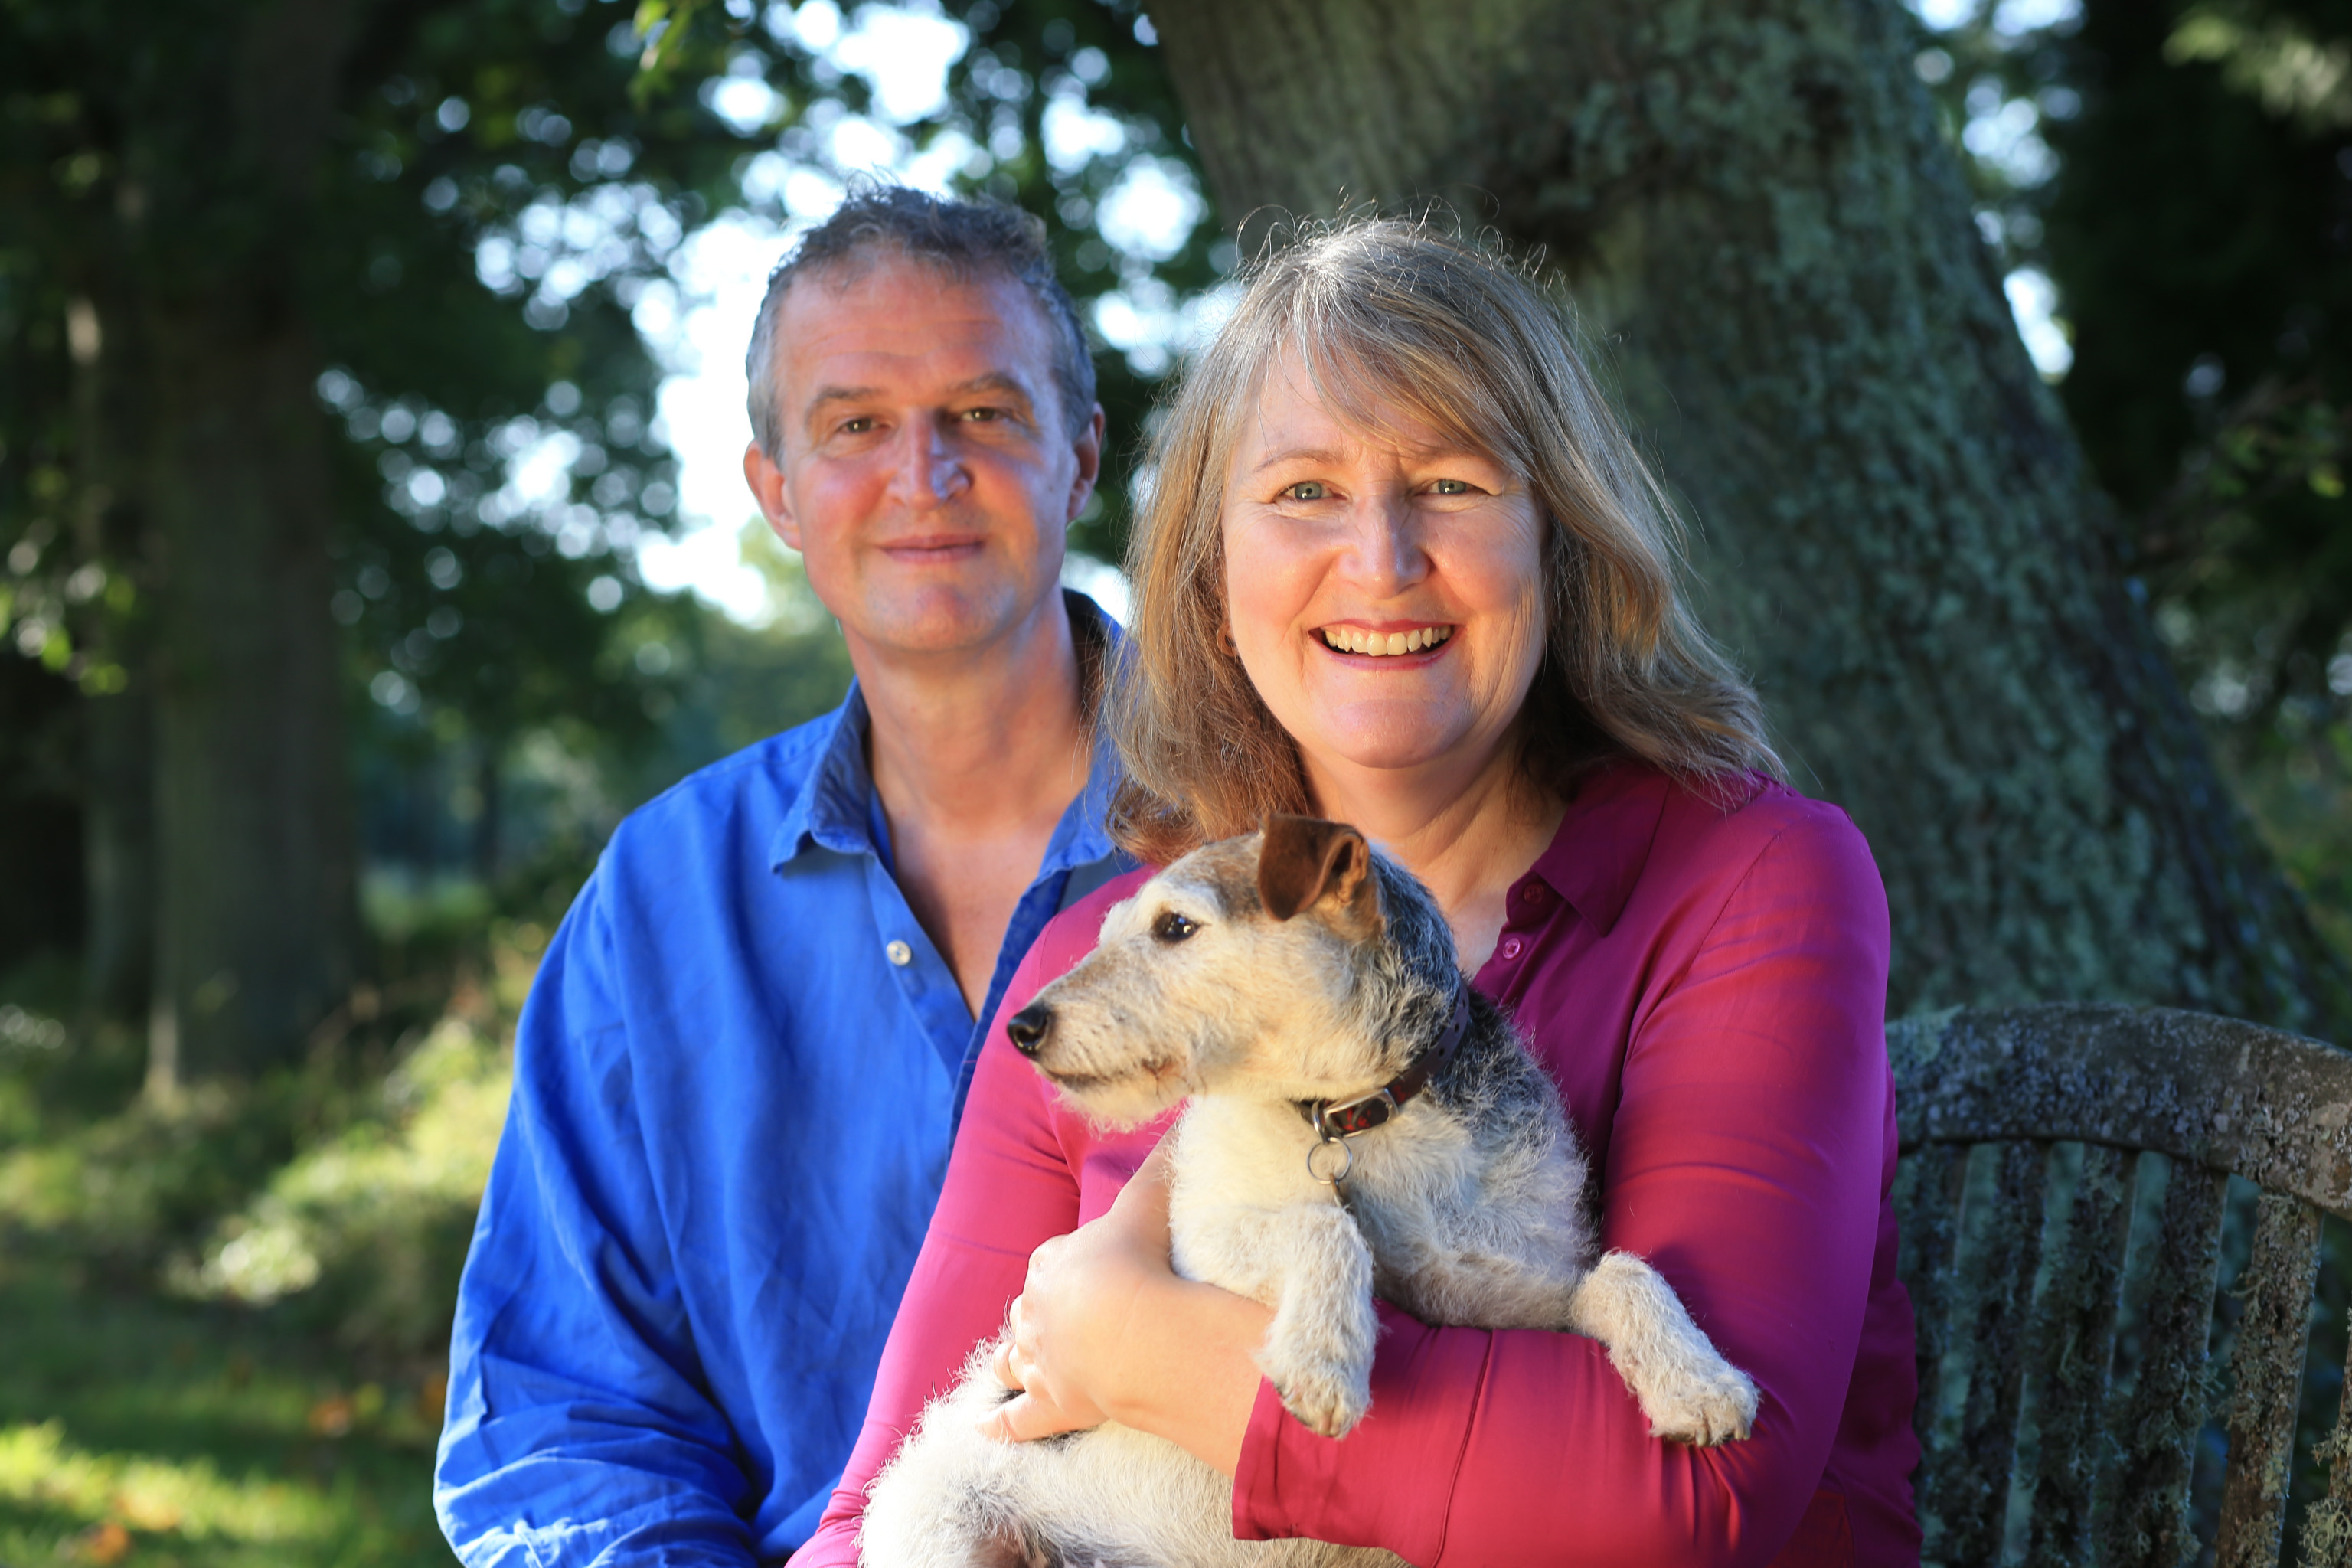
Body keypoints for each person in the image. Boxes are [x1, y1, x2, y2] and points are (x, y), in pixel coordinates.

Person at [799, 219, 1920, 1567]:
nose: (1382, 560)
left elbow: (1690, 1496)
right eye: (1305, 494)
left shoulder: (1746, 882)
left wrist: (1145, 1351)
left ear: (1555, 548)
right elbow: (877, 1513)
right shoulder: (1109, 957)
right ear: (1214, 587)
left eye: (1449, 484)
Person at [433, 185, 1131, 1564]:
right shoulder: (661, 904)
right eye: (856, 424)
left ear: (1083, 458)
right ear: (776, 494)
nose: (923, 473)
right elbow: (560, 1417)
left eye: (985, 415)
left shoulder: (1279, 837)